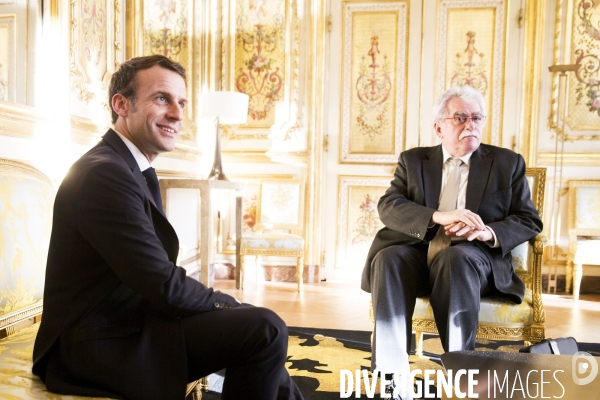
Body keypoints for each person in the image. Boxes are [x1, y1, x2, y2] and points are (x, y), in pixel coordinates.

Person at [32, 55, 303, 400]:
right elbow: (162, 283)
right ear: (121, 104)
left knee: (262, 331)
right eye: (162, 98)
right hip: (96, 345)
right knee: (264, 328)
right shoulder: (105, 174)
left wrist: (231, 308)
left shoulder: (127, 165)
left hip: (131, 321)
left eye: (181, 102)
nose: (177, 114)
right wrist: (229, 304)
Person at [361, 85, 542, 399]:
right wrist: (437, 217)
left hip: (475, 258)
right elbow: (388, 206)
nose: (470, 125)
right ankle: (393, 376)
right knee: (388, 257)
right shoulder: (413, 161)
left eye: (476, 118)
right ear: (439, 127)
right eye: (460, 118)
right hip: (422, 253)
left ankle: (462, 370)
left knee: (455, 259)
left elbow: (529, 219)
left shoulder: (506, 163)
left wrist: (489, 232)